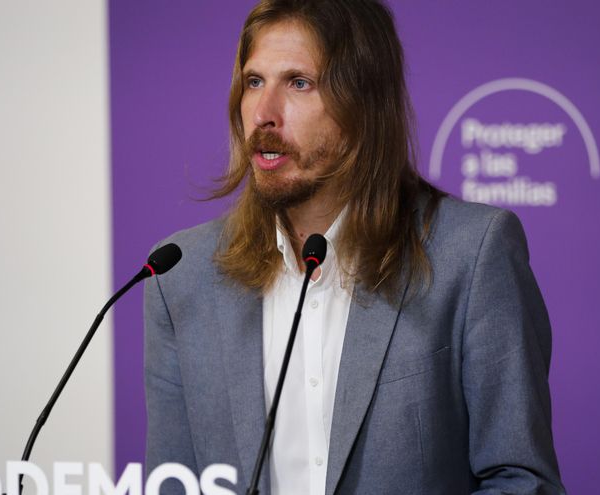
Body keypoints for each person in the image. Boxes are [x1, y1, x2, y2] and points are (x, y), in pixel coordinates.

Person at [144, 1, 565, 493]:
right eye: (254, 82)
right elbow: (173, 483)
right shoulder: (182, 274)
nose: (263, 113)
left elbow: (519, 480)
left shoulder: (470, 254)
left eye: (299, 83)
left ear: (364, 102)